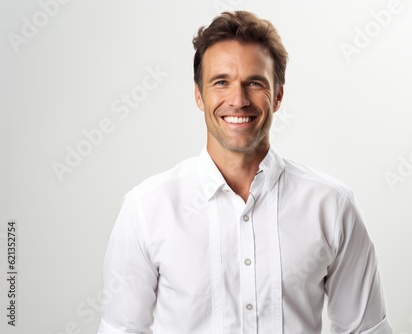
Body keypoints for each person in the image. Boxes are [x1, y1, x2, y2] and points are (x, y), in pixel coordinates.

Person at [97, 11, 393, 334]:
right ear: (199, 95)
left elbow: (365, 330)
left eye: (254, 83)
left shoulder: (331, 205)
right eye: (221, 82)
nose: (237, 100)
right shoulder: (146, 208)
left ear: (277, 96)